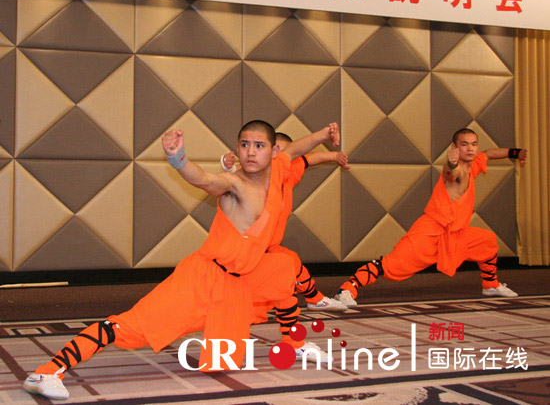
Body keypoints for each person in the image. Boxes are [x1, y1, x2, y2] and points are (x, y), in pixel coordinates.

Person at [23, 120, 341, 400]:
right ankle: (46, 372)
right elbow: (204, 179)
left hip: (239, 280)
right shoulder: (235, 185)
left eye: (259, 146)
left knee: (284, 267)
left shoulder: (280, 169)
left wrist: (324, 134)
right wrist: (178, 158)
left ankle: (293, 343)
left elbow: (298, 148)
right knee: (131, 327)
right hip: (203, 279)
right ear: (237, 148)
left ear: (273, 151)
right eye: (244, 145)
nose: (250, 152)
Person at [334, 128, 528, 307]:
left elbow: (489, 154)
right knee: (394, 264)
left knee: (487, 241)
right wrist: (451, 163)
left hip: (456, 233)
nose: (470, 148)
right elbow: (450, 174)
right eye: (464, 144)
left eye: (474, 144)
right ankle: (347, 289)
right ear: (455, 147)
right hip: (432, 230)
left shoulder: (474, 164)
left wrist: (515, 152)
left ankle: (490, 285)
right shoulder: (457, 170)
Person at [221, 132, 350, 312]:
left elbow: (310, 158)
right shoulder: (257, 175)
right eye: (277, 153)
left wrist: (334, 156)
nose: (280, 157)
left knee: (289, 264)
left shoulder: (291, 170)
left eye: (287, 153)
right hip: (250, 246)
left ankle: (311, 299)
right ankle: (311, 299)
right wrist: (227, 166)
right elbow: (235, 176)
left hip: (271, 245)